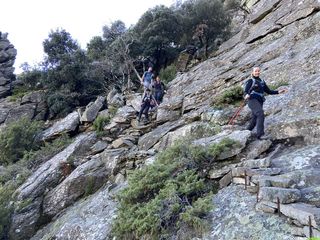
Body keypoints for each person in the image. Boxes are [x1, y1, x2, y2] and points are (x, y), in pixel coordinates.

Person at [244, 67, 288, 140]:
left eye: (258, 71)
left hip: (260, 101)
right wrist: (246, 95)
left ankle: (245, 132)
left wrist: (278, 91)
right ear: (252, 72)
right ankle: (260, 135)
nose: (257, 72)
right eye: (255, 71)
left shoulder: (262, 82)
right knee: (260, 113)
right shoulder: (250, 81)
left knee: (254, 120)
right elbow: (246, 91)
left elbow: (269, 91)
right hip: (252, 100)